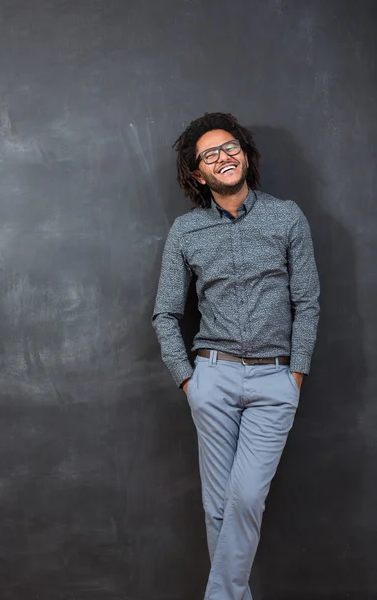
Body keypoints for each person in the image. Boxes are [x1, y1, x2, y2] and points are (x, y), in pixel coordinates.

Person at [152, 112, 320, 600]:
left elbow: (307, 302)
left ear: (245, 154)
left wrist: (297, 375)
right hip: (213, 380)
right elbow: (165, 314)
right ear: (197, 172)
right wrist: (190, 382)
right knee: (217, 508)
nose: (223, 157)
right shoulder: (186, 232)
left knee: (245, 498)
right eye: (210, 154)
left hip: (274, 383)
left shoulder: (286, 216)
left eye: (230, 148)